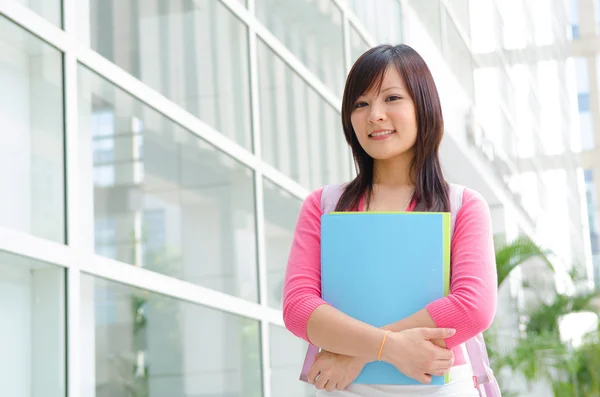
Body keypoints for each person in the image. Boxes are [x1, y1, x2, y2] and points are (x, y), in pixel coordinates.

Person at [282, 44, 498, 397]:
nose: (374, 115)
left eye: (392, 98)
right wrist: (389, 348)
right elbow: (298, 308)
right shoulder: (324, 205)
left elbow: (472, 306)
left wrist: (358, 356)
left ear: (423, 107)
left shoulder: (462, 205)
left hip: (438, 385)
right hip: (346, 390)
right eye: (360, 104)